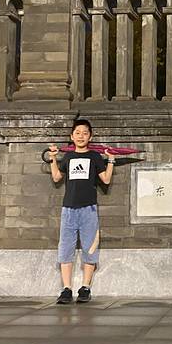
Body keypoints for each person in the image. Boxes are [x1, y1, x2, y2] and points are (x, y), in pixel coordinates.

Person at [48, 118, 115, 304]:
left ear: (90, 137)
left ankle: (85, 288)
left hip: (89, 210)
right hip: (68, 209)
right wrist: (53, 158)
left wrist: (111, 160)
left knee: (90, 248)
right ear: (72, 136)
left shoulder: (94, 157)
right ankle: (66, 289)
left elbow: (106, 179)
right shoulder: (68, 157)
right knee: (65, 248)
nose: (81, 136)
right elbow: (56, 177)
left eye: (85, 133)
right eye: (77, 133)